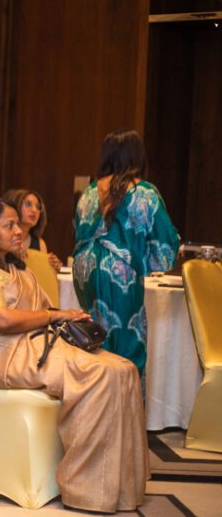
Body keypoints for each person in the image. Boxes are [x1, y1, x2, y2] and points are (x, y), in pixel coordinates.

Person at [0, 198, 147, 513]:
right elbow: (0, 320)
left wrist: (67, 316)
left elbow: (41, 310)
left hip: (28, 345)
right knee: (98, 374)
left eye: (17, 224)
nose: (18, 231)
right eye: (9, 225)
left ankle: (122, 488)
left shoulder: (15, 266)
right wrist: (55, 316)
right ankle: (87, 489)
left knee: (123, 369)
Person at [72, 129, 180, 374]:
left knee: (94, 340)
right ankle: (124, 398)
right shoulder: (143, 191)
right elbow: (165, 242)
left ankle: (94, 393)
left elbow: (76, 230)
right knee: (127, 346)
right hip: (118, 271)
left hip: (84, 269)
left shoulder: (88, 192)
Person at [3, 189, 62, 270]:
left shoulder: (40, 244)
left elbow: (40, 273)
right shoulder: (3, 238)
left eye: (38, 207)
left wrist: (52, 268)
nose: (34, 210)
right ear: (16, 206)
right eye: (28, 204)